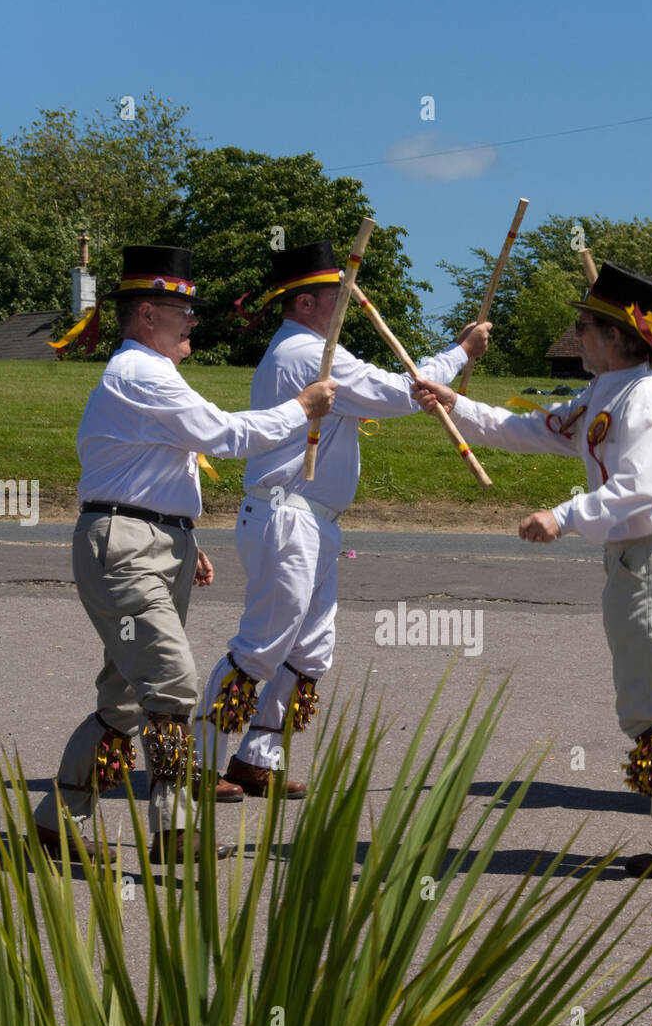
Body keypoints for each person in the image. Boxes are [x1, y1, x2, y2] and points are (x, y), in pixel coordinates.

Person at [413, 262, 652, 877]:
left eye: (586, 326)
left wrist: (563, 515)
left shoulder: (645, 401)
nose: (577, 336)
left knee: (651, 707)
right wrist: (453, 401)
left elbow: (640, 492)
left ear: (618, 336)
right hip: (640, 562)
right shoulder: (606, 393)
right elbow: (530, 428)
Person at [32, 245, 336, 863]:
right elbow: (223, 435)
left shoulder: (151, 372)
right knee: (172, 687)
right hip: (127, 547)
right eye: (183, 310)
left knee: (124, 699)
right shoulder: (140, 373)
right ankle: (176, 831)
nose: (194, 321)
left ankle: (57, 821)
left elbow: (153, 467)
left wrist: (181, 536)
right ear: (148, 315)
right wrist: (300, 409)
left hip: (145, 541)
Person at [196, 240, 491, 797]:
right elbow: (398, 391)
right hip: (288, 517)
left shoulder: (310, 348)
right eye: (337, 294)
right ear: (306, 303)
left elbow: (393, 392)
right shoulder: (309, 353)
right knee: (262, 646)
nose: (346, 303)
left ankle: (256, 757)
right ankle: (199, 761)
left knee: (310, 649)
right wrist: (459, 352)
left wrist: (453, 360)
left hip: (312, 521)